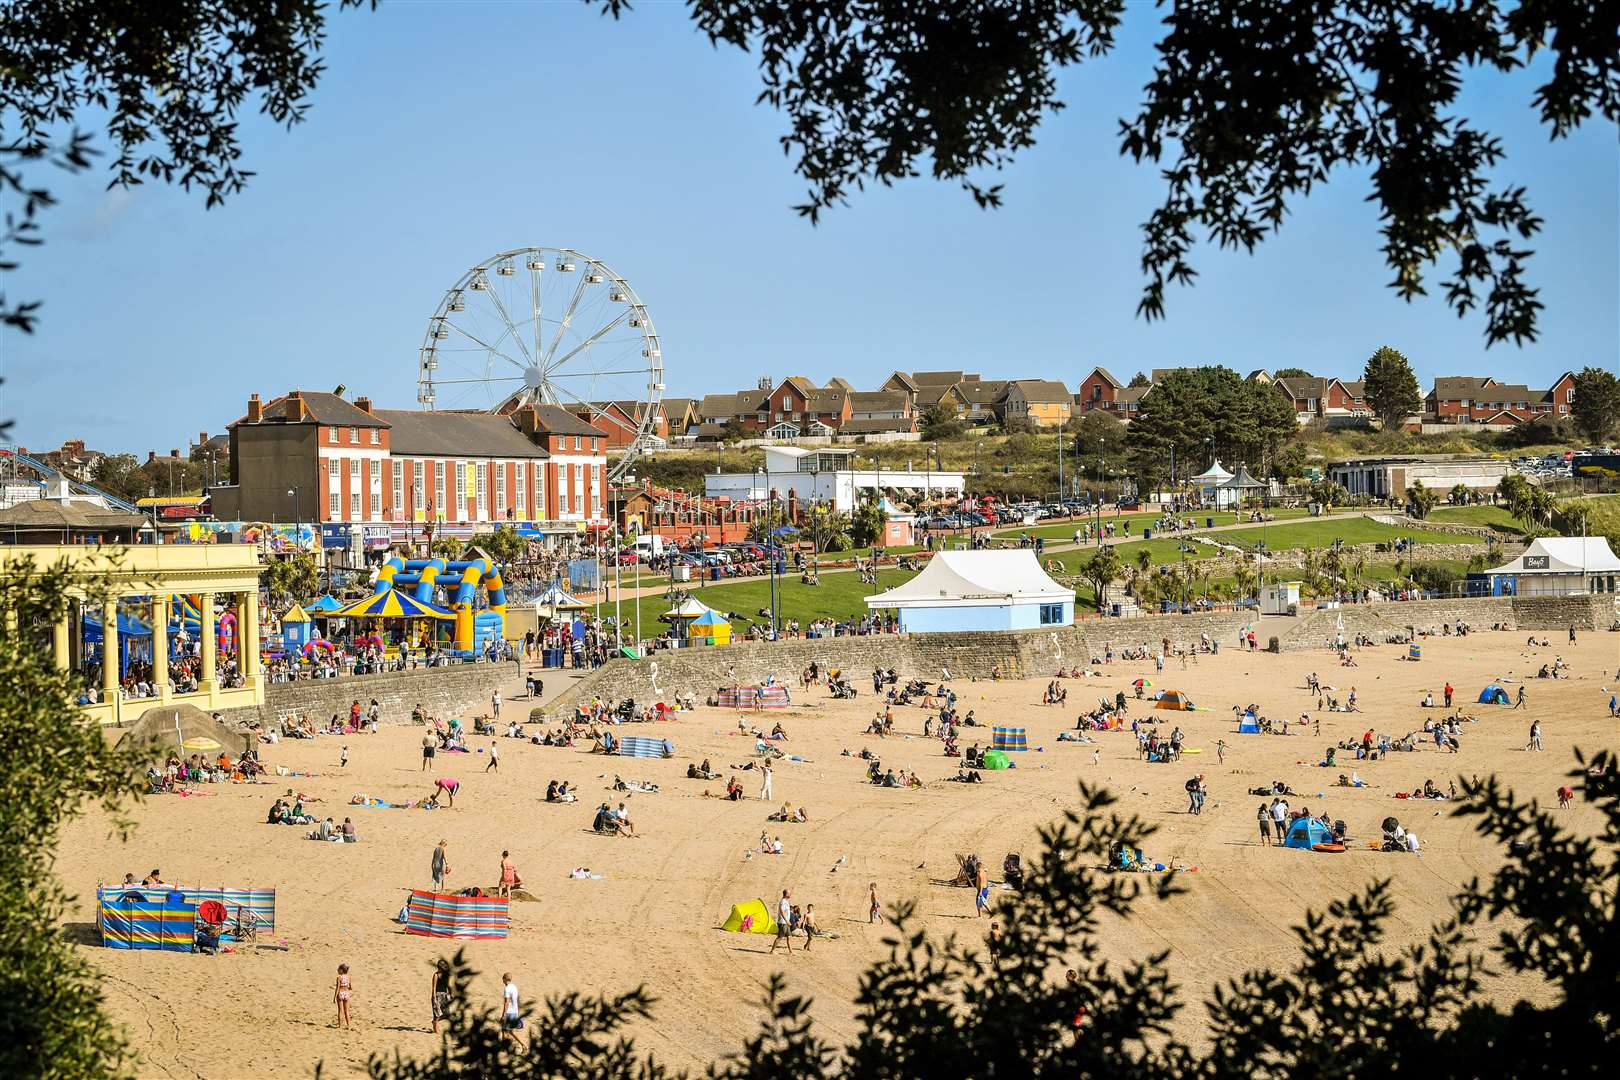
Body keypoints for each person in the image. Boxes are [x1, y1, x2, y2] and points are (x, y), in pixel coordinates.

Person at [500, 973, 526, 1050]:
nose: (502, 981)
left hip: (509, 1013)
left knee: (504, 1030)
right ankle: (524, 1045)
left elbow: (506, 1002)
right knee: (510, 1031)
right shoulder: (514, 987)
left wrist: (504, 1015)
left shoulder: (507, 989)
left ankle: (504, 1049)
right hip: (515, 1012)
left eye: (503, 979)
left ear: (505, 979)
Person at [430, 958, 451, 1034]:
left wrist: (450, 994)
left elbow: (448, 985)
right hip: (437, 995)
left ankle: (434, 1021)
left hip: (444, 995)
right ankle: (435, 1027)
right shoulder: (436, 975)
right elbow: (434, 987)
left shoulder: (446, 975)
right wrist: (434, 998)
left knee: (447, 1014)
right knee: (437, 1014)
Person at [770, 889, 794, 955]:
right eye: (789, 893)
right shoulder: (783, 901)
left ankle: (791, 952)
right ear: (786, 894)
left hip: (786, 922)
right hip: (783, 922)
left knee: (789, 937)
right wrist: (786, 921)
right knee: (780, 937)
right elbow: (782, 911)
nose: (790, 895)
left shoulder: (786, 901)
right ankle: (772, 950)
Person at [334, 964, 354, 1030]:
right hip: (346, 993)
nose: (337, 970)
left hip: (340, 993)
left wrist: (335, 996)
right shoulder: (349, 977)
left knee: (340, 1010)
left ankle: (340, 1026)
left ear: (342, 970)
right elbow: (351, 987)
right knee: (346, 1011)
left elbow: (337, 987)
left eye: (338, 969)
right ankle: (349, 1025)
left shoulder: (339, 977)